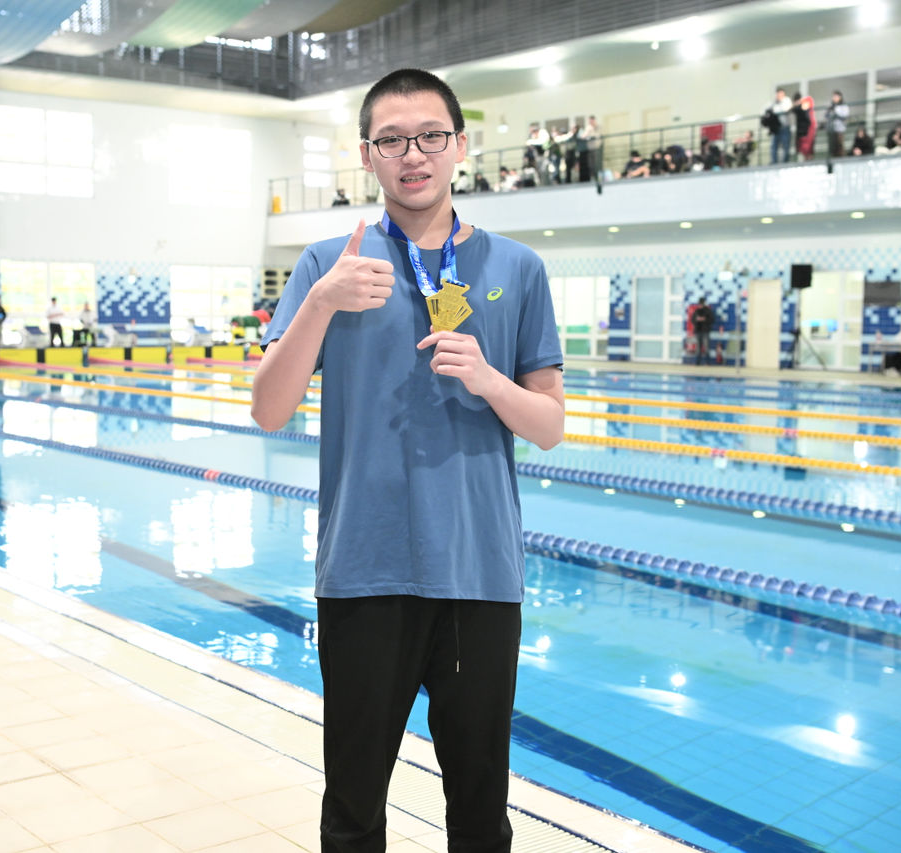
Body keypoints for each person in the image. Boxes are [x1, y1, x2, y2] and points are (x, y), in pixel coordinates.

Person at [251, 67, 564, 853]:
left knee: (481, 817)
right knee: (353, 813)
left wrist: (489, 379)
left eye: (429, 135)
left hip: (478, 575)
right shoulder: (328, 264)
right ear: (367, 155)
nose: (412, 154)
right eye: (391, 140)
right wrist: (321, 303)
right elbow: (268, 409)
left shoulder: (518, 268)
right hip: (364, 573)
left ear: (460, 144)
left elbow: (550, 425)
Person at [766, 87, 793, 164]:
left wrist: (779, 104)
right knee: (774, 146)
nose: (779, 96)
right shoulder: (773, 103)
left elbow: (786, 109)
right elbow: (769, 111)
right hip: (776, 128)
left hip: (785, 127)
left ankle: (785, 162)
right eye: (777, 94)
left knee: (785, 145)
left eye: (780, 94)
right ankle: (774, 161)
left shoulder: (787, 101)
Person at [690, 297, 715, 365]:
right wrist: (697, 319)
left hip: (705, 331)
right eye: (699, 304)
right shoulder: (696, 311)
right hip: (698, 331)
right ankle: (697, 362)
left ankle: (707, 362)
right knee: (698, 348)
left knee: (706, 347)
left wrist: (704, 319)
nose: (700, 305)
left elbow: (712, 320)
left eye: (701, 304)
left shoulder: (708, 311)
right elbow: (692, 320)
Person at [825, 90, 849, 157]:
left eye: (836, 96)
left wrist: (836, 113)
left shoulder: (843, 106)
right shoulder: (831, 106)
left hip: (839, 129)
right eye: (833, 96)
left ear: (840, 97)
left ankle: (841, 159)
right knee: (833, 147)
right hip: (831, 130)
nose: (834, 98)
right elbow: (826, 115)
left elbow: (844, 116)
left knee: (840, 146)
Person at [793, 92, 816, 160]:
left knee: (808, 146)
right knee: (803, 147)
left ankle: (809, 159)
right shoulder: (797, 107)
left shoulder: (807, 101)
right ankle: (807, 159)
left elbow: (805, 108)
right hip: (803, 129)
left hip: (808, 128)